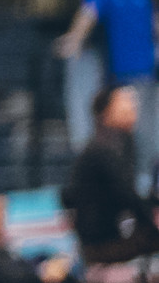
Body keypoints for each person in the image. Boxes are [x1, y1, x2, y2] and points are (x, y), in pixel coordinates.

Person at [57, 0, 157, 191]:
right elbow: (88, 13)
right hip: (118, 73)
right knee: (116, 130)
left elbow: (153, 19)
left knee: (146, 128)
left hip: (145, 70)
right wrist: (74, 38)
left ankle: (145, 180)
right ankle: (117, 181)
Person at [63, 84, 159, 266]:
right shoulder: (104, 147)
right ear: (106, 112)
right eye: (125, 102)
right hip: (102, 242)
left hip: (115, 232)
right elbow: (125, 195)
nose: (133, 107)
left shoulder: (122, 142)